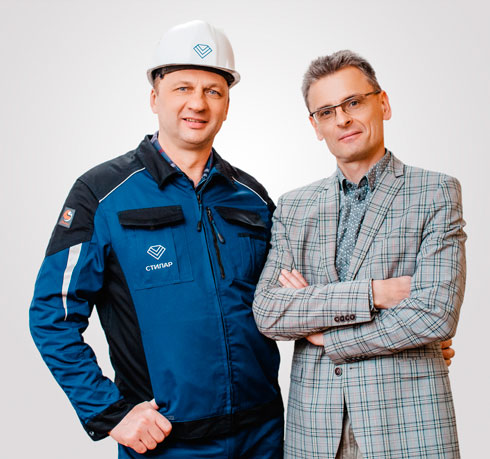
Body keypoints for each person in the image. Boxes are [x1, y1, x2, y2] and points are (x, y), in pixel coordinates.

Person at [29, 20, 283, 458]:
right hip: (166, 443)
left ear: (227, 105)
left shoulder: (252, 198)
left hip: (263, 437)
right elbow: (53, 314)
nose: (197, 103)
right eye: (183, 88)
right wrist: (110, 413)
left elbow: (289, 298)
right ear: (154, 97)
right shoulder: (101, 194)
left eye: (213, 91)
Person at [253, 50, 466, 459]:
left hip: (408, 428)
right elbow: (269, 311)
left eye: (353, 102)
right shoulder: (294, 207)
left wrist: (327, 334)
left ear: (382, 104)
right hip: (314, 433)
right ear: (315, 126)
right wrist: (375, 294)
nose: (342, 119)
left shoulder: (435, 192)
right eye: (327, 111)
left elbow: (434, 314)